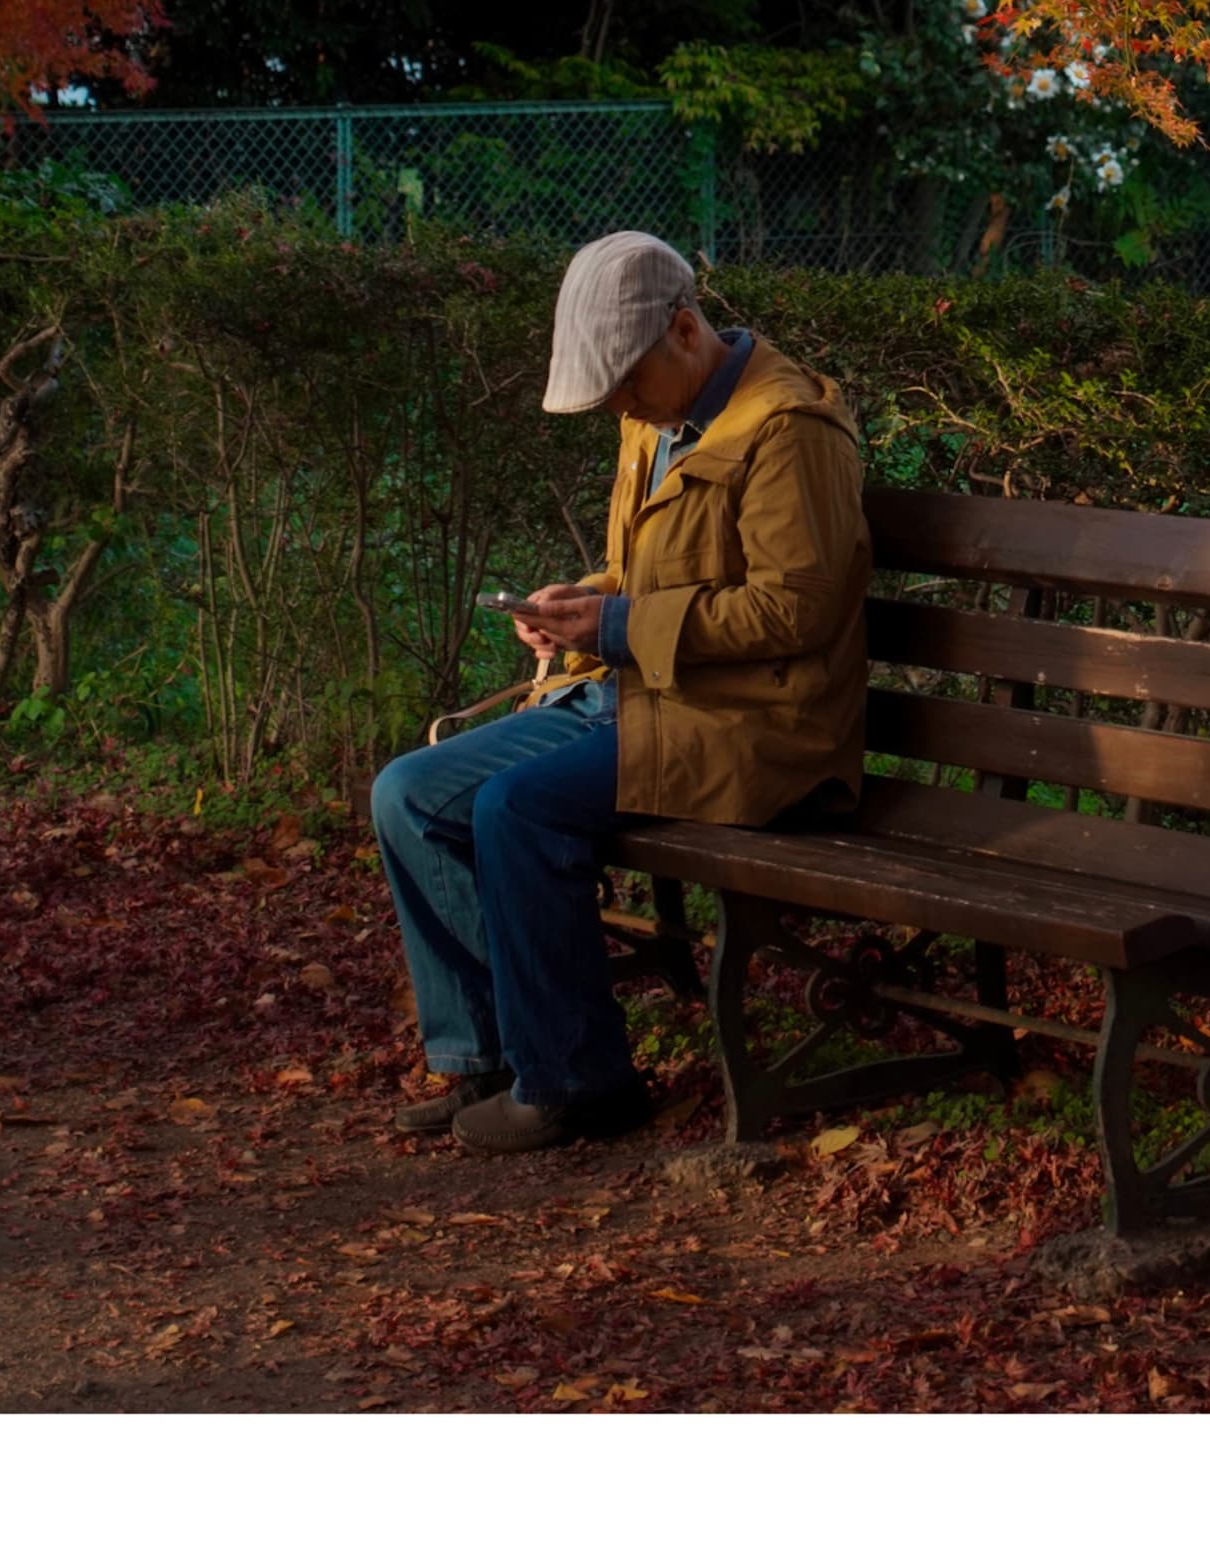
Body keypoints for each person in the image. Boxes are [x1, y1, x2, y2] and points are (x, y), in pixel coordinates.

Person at [369, 231, 870, 1155]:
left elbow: (794, 611)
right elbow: (645, 576)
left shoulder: (788, 429)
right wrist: (578, 605)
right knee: (407, 792)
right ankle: (489, 1058)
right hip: (644, 695)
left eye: (626, 383)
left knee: (516, 809)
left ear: (684, 329)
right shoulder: (655, 415)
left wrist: (617, 625)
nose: (619, 406)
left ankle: (579, 1083)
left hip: (755, 726)